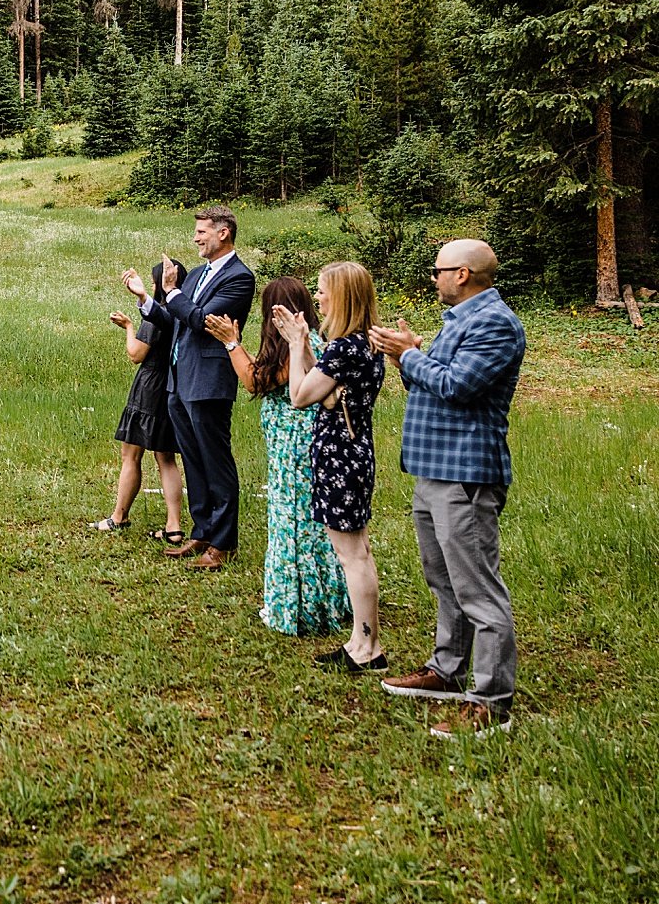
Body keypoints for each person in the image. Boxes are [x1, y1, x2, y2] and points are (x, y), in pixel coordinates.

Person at [370, 239, 525, 740]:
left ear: (462, 274)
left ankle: (491, 700)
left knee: (477, 589)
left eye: (437, 270)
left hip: (466, 473)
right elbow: (435, 384)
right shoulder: (459, 320)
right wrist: (409, 358)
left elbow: (459, 386)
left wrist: (410, 354)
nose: (432, 277)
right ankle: (446, 670)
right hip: (434, 468)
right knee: (445, 580)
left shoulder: (495, 323)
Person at [205, 277, 350, 638]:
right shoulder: (298, 343)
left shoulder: (299, 346)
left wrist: (231, 343)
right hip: (291, 448)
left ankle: (299, 606)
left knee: (296, 523)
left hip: (297, 451)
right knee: (304, 523)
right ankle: (321, 599)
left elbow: (257, 382)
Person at [122, 205, 255, 571]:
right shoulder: (195, 275)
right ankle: (202, 530)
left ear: (223, 233)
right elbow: (173, 320)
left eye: (201, 232)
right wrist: (146, 299)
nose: (195, 238)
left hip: (209, 382)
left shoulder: (240, 278)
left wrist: (171, 291)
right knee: (193, 460)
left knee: (216, 461)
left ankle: (223, 542)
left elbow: (201, 321)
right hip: (178, 381)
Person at [276, 264, 388, 672]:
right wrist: (307, 345)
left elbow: (300, 395)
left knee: (352, 555)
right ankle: (362, 639)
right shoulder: (366, 343)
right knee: (358, 549)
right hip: (356, 451)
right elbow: (323, 389)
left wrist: (293, 345)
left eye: (323, 291)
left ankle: (367, 648)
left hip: (338, 456)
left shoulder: (344, 349)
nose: (318, 297)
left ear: (341, 296)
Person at [95, 260, 184, 541]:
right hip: (171, 387)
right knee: (166, 458)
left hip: (148, 389)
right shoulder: (180, 312)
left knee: (130, 455)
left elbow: (136, 354)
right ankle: (174, 526)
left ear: (158, 284)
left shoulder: (155, 317)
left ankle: (119, 517)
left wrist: (129, 327)